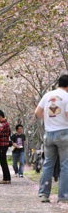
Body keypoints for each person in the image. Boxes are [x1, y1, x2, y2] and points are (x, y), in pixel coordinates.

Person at [35, 74, 68, 203]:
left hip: (49, 134)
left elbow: (37, 111)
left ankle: (43, 194)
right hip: (64, 133)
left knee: (48, 164)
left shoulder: (48, 95)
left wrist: (47, 121)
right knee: (65, 166)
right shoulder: (66, 97)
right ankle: (63, 196)